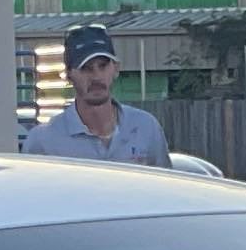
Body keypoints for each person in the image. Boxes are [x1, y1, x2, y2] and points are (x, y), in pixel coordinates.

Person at [20, 23, 169, 164]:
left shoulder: (146, 128)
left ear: (116, 68)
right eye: (85, 68)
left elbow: (163, 181)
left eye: (103, 66)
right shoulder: (43, 142)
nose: (96, 76)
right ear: (68, 75)